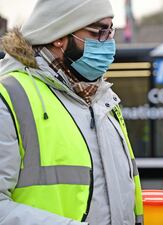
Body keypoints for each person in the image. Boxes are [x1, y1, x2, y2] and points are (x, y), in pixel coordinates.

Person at [0, 0, 143, 224]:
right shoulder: (9, 96)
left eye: (110, 30)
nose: (109, 43)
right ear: (59, 35)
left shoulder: (102, 98)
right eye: (98, 32)